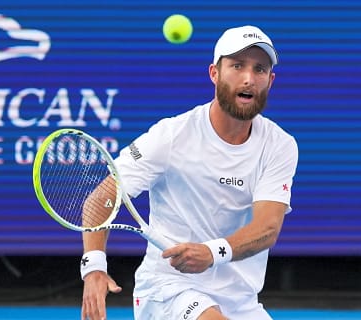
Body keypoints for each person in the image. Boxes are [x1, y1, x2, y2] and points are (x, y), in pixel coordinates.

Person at [80, 25, 298, 320]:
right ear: (214, 73)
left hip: (241, 300)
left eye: (259, 69)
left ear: (270, 80)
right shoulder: (171, 135)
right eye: (237, 65)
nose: (248, 78)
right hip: (167, 289)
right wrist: (94, 267)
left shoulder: (279, 145)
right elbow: (104, 196)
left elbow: (267, 228)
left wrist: (212, 252)